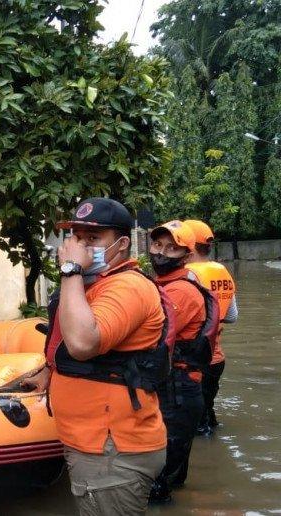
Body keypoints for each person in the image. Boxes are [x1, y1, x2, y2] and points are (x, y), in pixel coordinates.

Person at [22, 198, 169, 515]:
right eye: (77, 237)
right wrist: (49, 372)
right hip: (97, 444)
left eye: (93, 238)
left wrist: (70, 268)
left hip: (112, 449)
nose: (80, 246)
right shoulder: (92, 285)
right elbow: (71, 350)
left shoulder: (127, 286)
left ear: (122, 244)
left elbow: (83, 343)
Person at [147, 221, 217, 504]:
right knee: (172, 477)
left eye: (172, 248)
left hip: (178, 390)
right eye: (158, 245)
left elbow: (152, 336)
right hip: (177, 388)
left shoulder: (181, 291)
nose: (161, 253)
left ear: (186, 256)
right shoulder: (166, 285)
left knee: (157, 483)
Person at [184, 219, 238, 435]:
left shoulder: (187, 274)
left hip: (194, 360)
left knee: (196, 423)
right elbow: (232, 316)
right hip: (216, 359)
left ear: (187, 245)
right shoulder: (221, 271)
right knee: (206, 412)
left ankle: (208, 462)